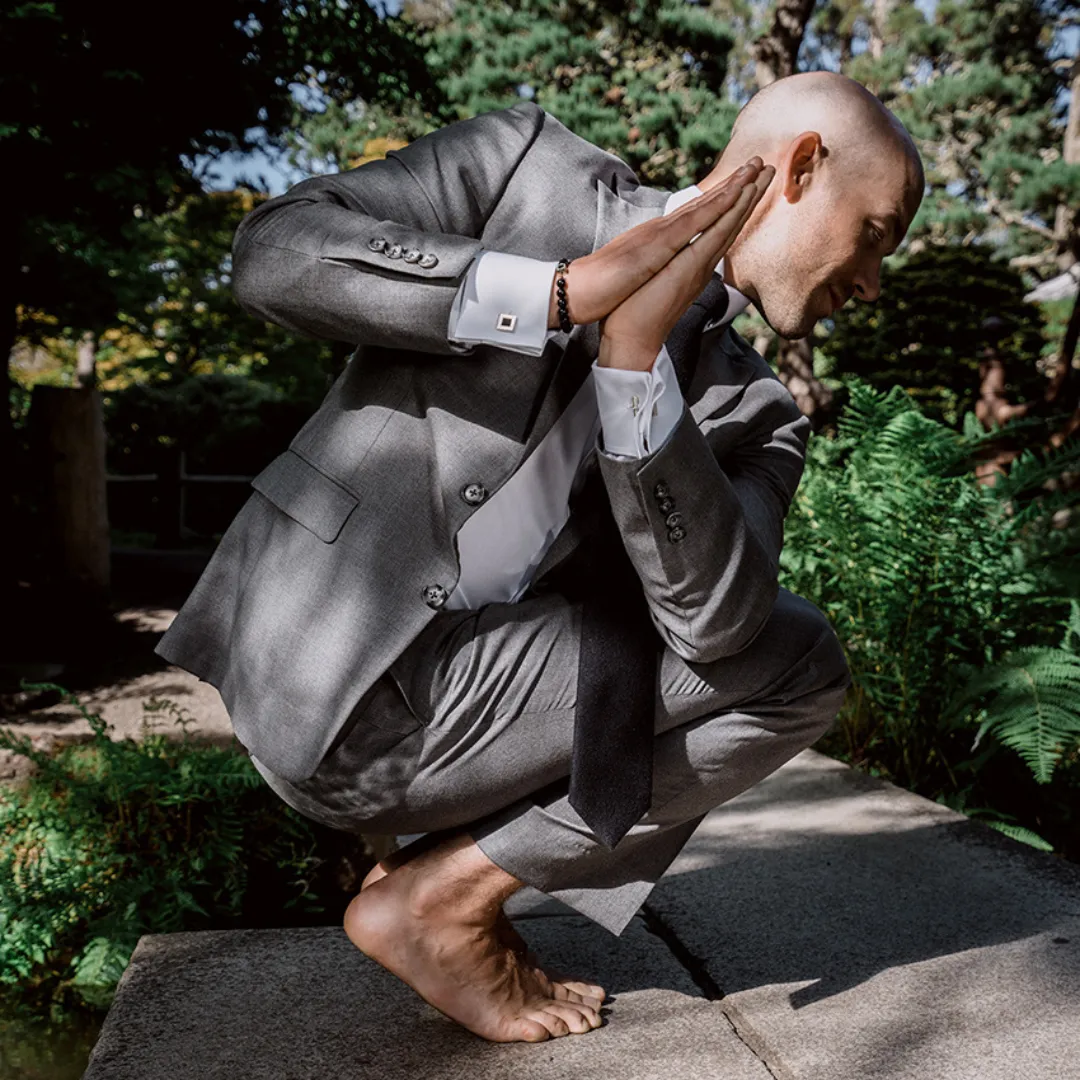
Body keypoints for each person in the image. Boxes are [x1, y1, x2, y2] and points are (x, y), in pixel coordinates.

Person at [154, 69, 924, 1044]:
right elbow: (273, 252)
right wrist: (559, 294)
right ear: (804, 167)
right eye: (878, 234)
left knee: (798, 660)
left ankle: (444, 895)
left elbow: (717, 628)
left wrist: (637, 373)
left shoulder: (762, 414)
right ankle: (432, 889)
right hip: (307, 662)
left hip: (479, 707)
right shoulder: (527, 169)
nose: (871, 283)